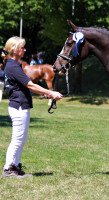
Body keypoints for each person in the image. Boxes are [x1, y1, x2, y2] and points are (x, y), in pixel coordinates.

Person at [1, 36, 63, 178]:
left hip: (20, 106)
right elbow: (30, 84)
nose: (24, 49)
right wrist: (51, 92)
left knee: (21, 139)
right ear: (15, 50)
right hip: (19, 107)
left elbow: (25, 86)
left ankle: (14, 166)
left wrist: (45, 94)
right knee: (17, 139)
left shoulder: (12, 65)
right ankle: (8, 169)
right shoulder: (13, 66)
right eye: (22, 47)